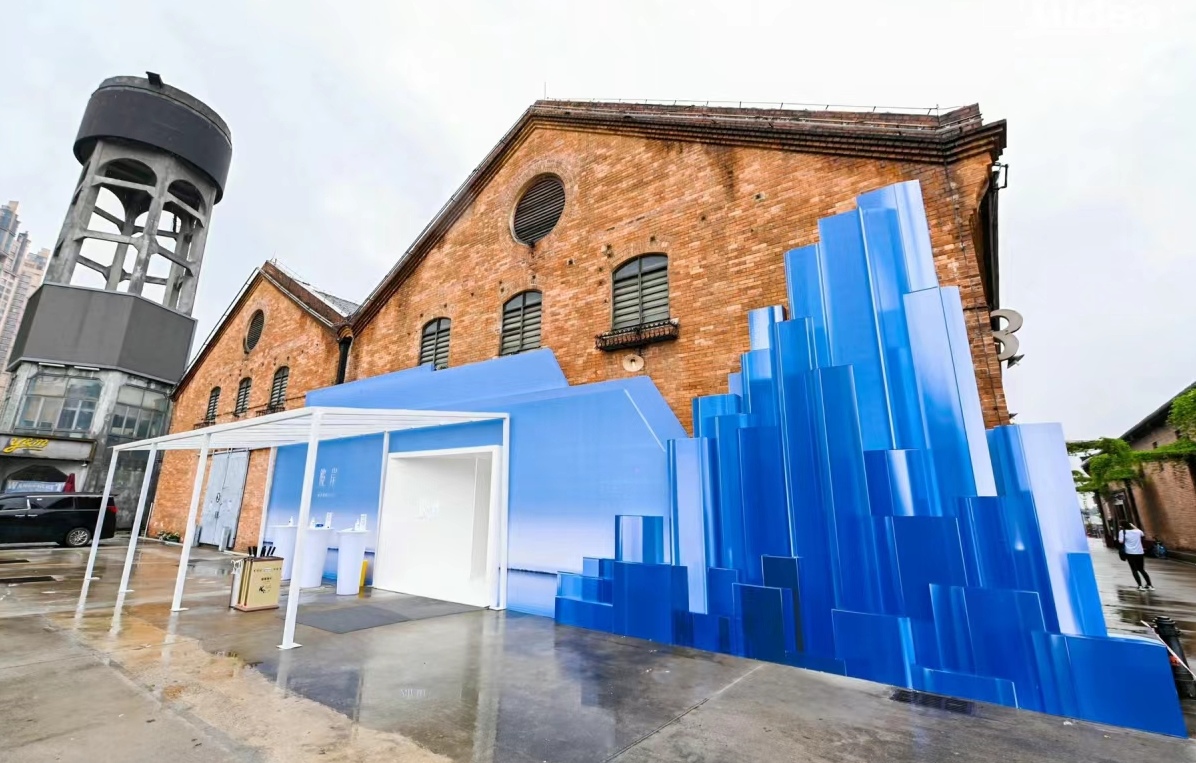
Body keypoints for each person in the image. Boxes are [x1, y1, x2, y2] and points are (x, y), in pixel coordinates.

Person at [1119, 521, 1154, 591]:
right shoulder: (1138, 531)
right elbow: (1142, 534)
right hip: (1140, 552)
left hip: (1130, 553)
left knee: (1134, 570)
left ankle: (1140, 586)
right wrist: (1133, 526)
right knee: (1141, 569)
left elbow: (1121, 541)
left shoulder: (1122, 532)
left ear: (1122, 526)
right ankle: (1150, 585)